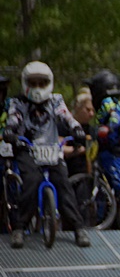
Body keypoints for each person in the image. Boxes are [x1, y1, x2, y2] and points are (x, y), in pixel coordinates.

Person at [3, 61, 91, 248]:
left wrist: (77, 129)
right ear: (25, 83)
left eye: (41, 83)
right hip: (27, 148)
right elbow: (14, 118)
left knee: (63, 184)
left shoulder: (56, 100)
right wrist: (10, 131)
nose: (37, 88)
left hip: (52, 149)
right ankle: (19, 228)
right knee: (31, 182)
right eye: (33, 83)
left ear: (49, 83)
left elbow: (66, 116)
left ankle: (78, 228)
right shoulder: (17, 102)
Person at [88, 69, 120, 228]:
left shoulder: (109, 102)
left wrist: (109, 128)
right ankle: (102, 217)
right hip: (105, 148)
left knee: (118, 183)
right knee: (102, 183)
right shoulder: (105, 105)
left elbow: (116, 117)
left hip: (115, 149)